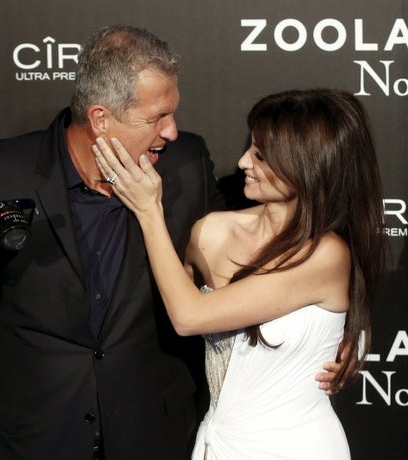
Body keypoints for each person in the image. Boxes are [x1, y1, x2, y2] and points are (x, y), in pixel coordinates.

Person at [0, 27, 342, 460]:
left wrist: (339, 333)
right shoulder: (0, 169)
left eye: (173, 113)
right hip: (30, 435)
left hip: (153, 431)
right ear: (100, 118)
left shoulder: (186, 163)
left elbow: (271, 249)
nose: (171, 131)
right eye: (156, 118)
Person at [92, 88, 387, 459]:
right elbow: (160, 303)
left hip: (296, 446)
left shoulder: (325, 255)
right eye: (250, 147)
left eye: (262, 156)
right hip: (216, 442)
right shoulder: (211, 232)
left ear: (309, 165)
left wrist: (150, 211)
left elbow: (189, 316)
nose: (244, 161)